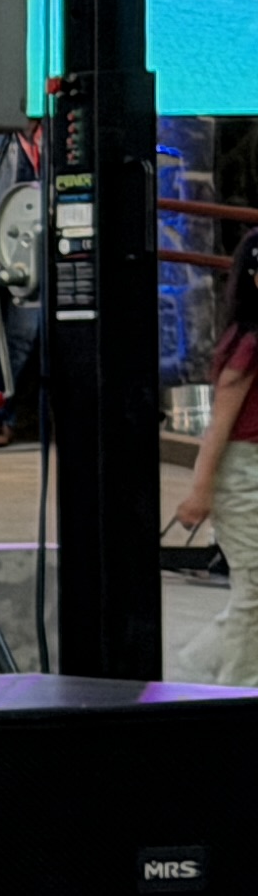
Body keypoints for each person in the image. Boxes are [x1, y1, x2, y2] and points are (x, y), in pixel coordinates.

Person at [175, 231, 258, 687]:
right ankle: (237, 690)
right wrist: (200, 491)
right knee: (254, 592)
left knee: (254, 594)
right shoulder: (248, 346)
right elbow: (219, 426)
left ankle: (196, 670)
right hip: (244, 474)